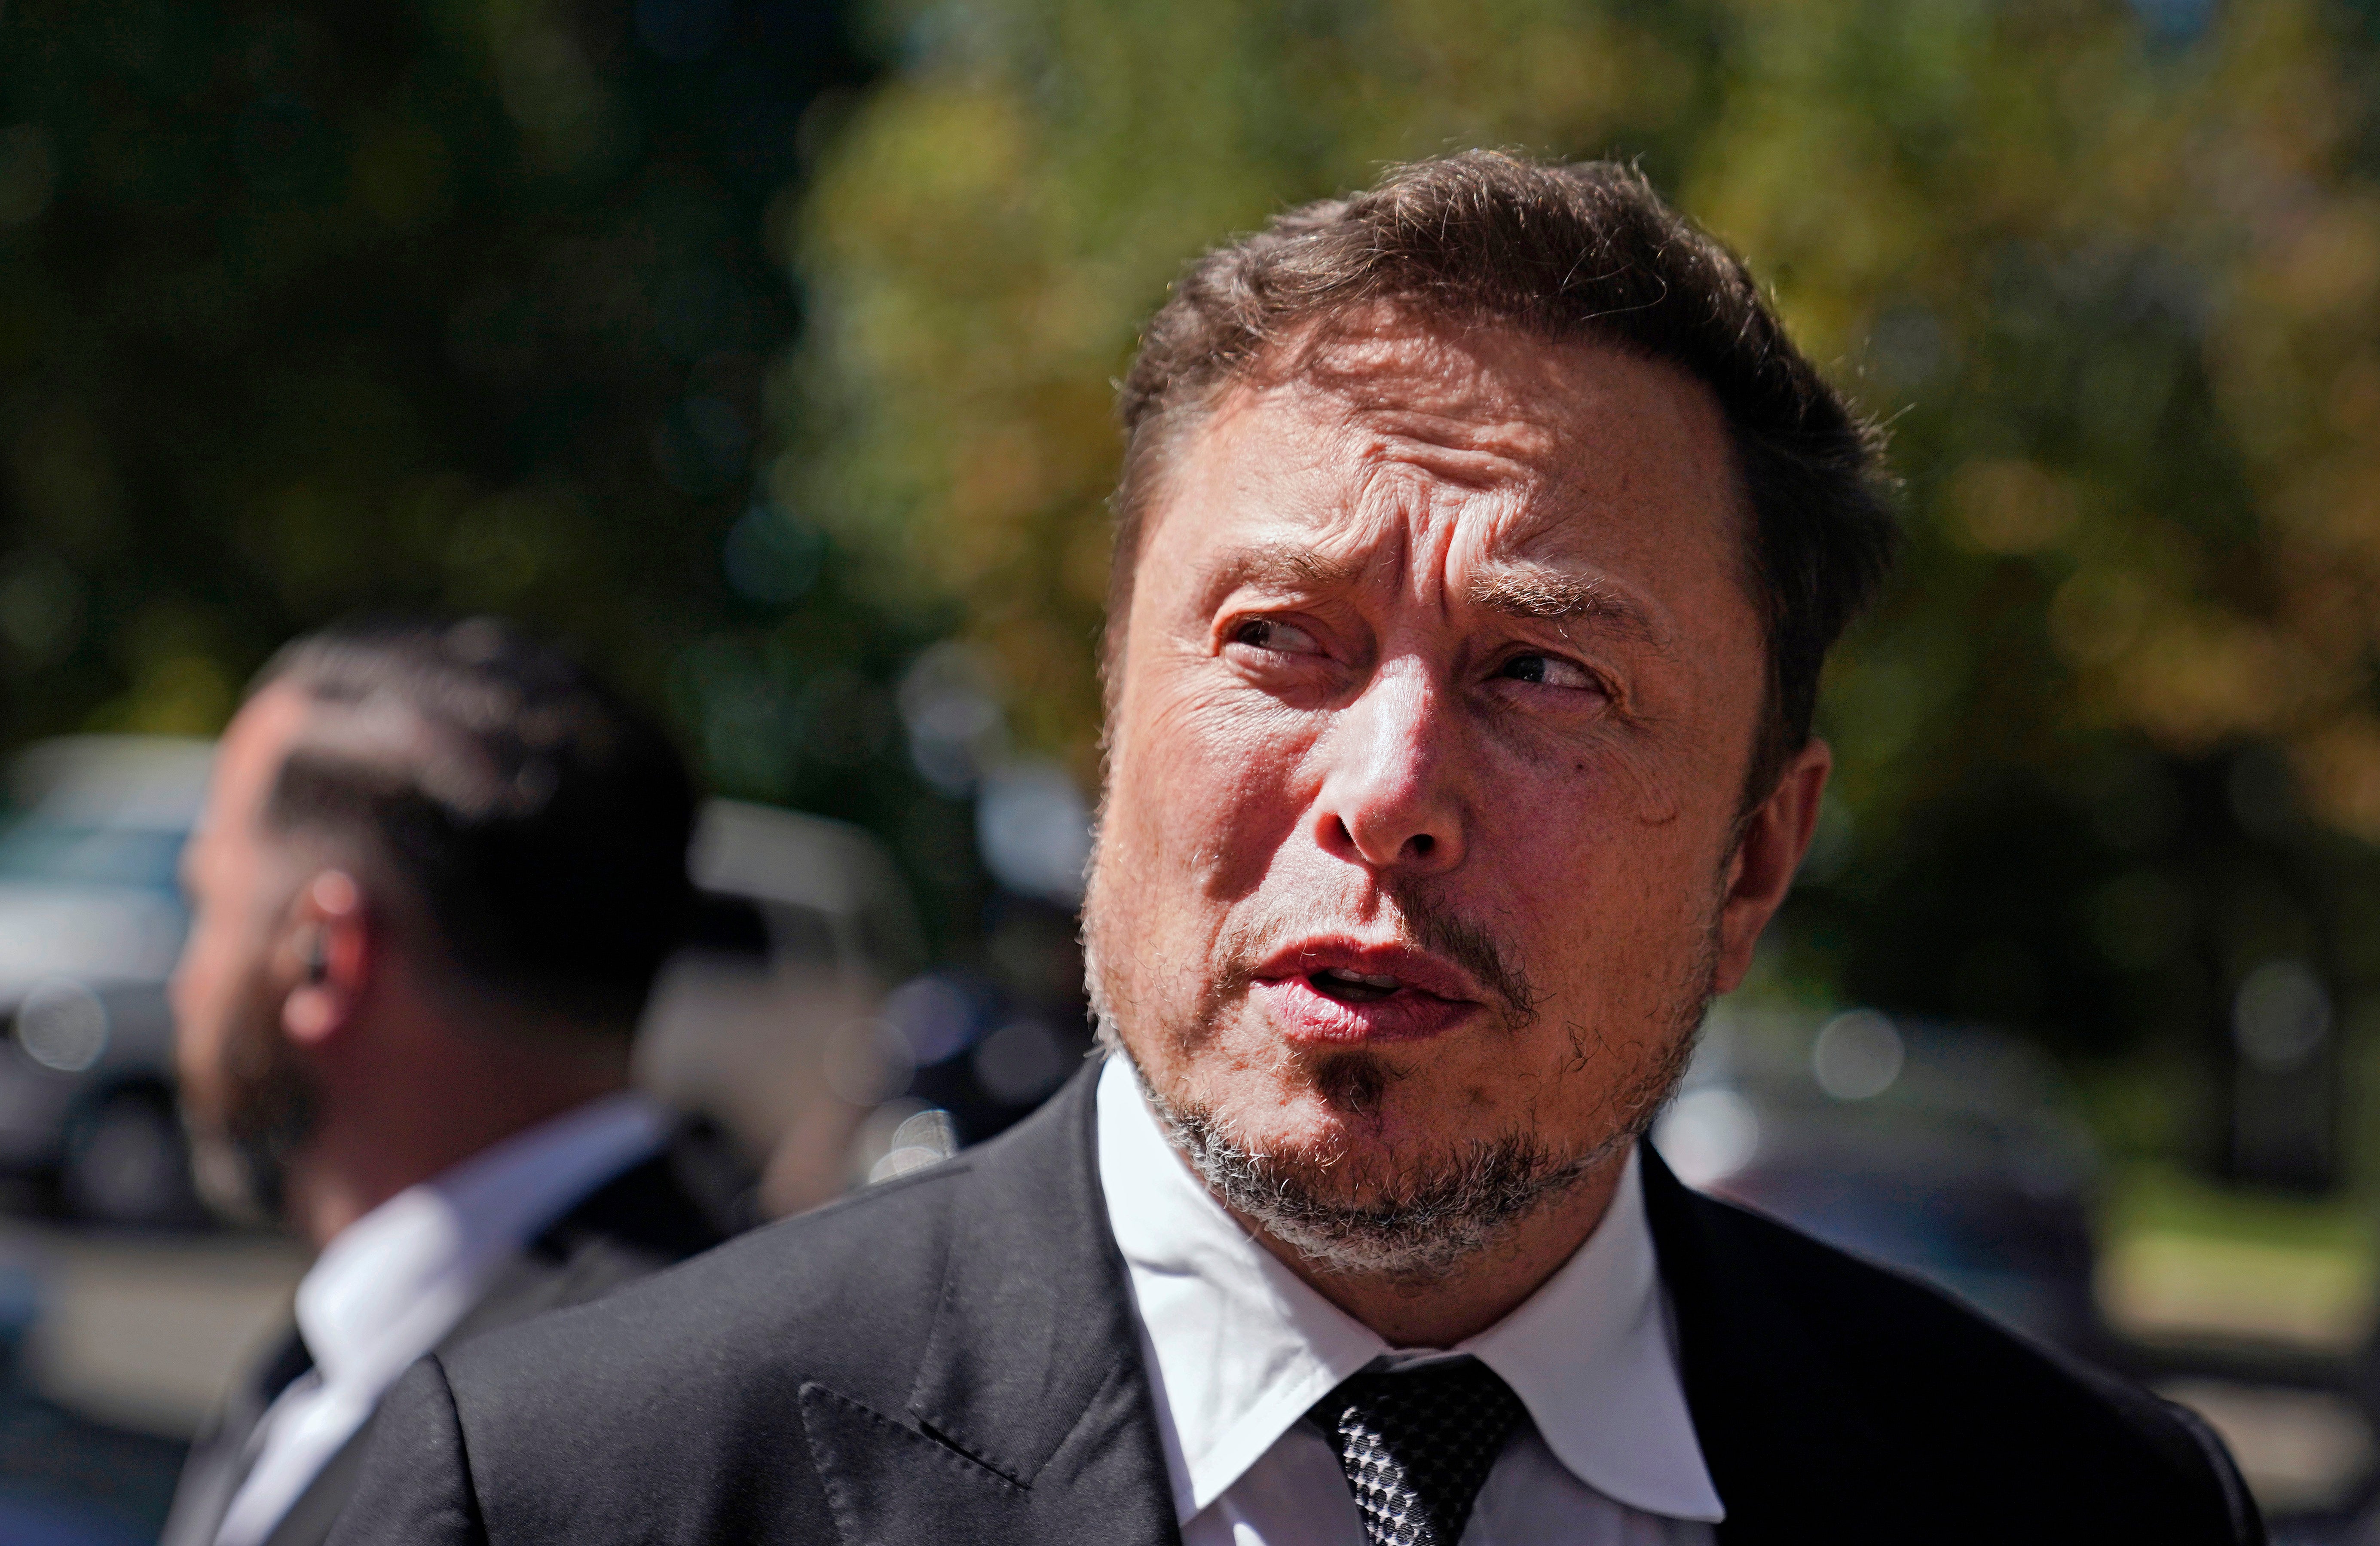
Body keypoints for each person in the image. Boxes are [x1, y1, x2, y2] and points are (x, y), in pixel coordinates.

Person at [328, 153, 2263, 1545]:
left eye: (1545, 670)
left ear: (1755, 858)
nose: (1389, 784)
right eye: (1277, 641)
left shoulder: (2086, 1507)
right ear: (1112, 720)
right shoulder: (556, 1485)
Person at [160, 618, 747, 1546]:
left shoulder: (634, 1438)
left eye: (205, 906)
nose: (182, 984)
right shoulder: (354, 1346)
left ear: (325, 957)